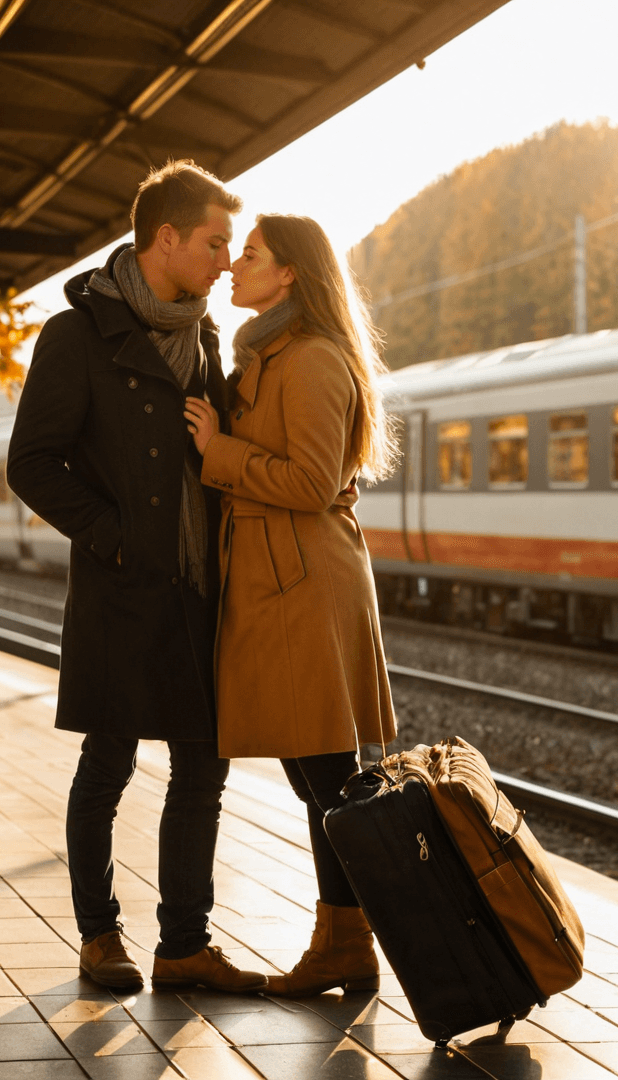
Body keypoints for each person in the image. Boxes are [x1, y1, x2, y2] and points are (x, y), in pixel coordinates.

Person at [7, 160, 264, 995]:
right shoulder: (75, 335)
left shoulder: (206, 335)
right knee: (107, 763)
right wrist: (114, 535)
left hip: (198, 586)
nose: (227, 260)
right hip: (124, 587)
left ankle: (184, 943)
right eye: (216, 242)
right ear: (166, 239)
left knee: (202, 769)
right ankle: (99, 935)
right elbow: (33, 464)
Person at [183, 214, 398, 997]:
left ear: (290, 276)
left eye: (251, 255)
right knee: (324, 778)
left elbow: (310, 484)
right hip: (287, 581)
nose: (235, 266)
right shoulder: (274, 355)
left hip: (302, 583)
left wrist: (219, 452)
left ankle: (349, 939)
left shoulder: (308, 361)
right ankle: (344, 941)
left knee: (330, 776)